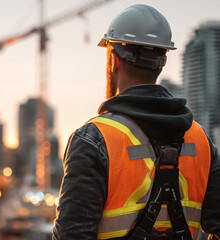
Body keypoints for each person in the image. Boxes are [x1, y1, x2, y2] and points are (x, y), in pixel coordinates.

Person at [52, 4, 220, 240]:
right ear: (162, 62)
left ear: (113, 61)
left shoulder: (93, 139)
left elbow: (71, 235)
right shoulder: (200, 140)